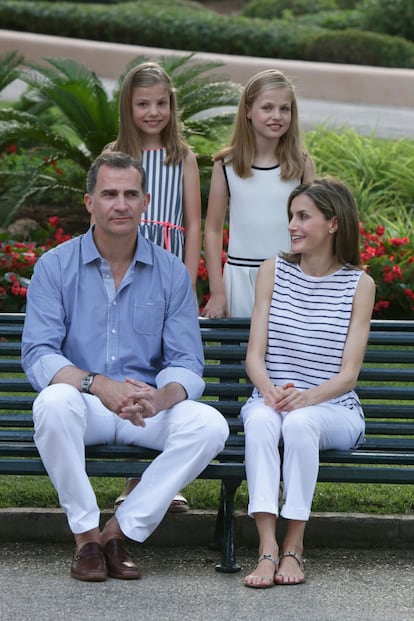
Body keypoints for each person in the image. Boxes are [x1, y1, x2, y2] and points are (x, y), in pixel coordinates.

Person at [21, 152, 229, 582]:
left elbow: (187, 361)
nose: (121, 204)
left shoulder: (171, 273)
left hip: (143, 409)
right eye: (109, 194)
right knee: (52, 405)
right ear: (89, 203)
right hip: (87, 405)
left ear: (146, 202)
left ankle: (117, 533)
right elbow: (39, 354)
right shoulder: (54, 267)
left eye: (130, 194)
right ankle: (85, 537)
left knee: (210, 425)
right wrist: (98, 386)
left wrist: (161, 398)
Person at [241, 177, 375, 588]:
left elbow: (348, 375)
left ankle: (293, 546)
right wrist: (269, 391)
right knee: (262, 421)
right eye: (292, 217)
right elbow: (254, 356)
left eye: (304, 217)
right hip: (271, 399)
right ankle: (266, 548)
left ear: (333, 224)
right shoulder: (272, 271)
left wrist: (304, 399)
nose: (293, 226)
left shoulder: (359, 285)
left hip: (333, 409)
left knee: (301, 423)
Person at [107, 60, 202, 511]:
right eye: (143, 103)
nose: (153, 112)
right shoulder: (116, 153)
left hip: (170, 266)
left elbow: (194, 223)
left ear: (172, 106)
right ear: (129, 106)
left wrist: (187, 274)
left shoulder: (181, 156)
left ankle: (165, 478)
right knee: (136, 359)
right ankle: (133, 477)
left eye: (161, 103)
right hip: (130, 263)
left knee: (169, 360)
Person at [202, 68, 316, 319]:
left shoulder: (301, 164)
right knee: (240, 355)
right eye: (267, 108)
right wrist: (218, 292)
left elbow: (313, 228)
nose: (277, 116)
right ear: (248, 111)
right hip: (240, 279)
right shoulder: (227, 165)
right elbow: (212, 229)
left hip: (289, 279)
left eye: (284, 109)